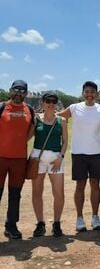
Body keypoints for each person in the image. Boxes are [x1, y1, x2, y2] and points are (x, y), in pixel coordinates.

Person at [57, 81, 100, 232]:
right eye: (87, 91)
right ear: (82, 93)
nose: (89, 94)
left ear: (96, 94)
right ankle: (79, 218)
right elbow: (57, 117)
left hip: (97, 152)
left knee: (95, 185)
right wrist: (38, 115)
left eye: (92, 92)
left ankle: (95, 216)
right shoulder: (74, 108)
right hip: (79, 153)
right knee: (80, 185)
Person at [0, 80, 35, 239]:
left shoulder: (29, 110)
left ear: (26, 94)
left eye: (22, 91)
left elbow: (32, 130)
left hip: (19, 160)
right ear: (10, 90)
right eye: (16, 90)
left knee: (15, 194)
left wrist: (20, 143)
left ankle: (11, 226)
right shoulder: (2, 107)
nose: (18, 93)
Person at [31, 92, 68, 237]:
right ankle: (40, 223)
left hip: (55, 158)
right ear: (42, 102)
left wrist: (61, 157)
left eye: (54, 101)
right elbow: (27, 136)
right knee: (37, 191)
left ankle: (57, 222)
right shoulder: (36, 119)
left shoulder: (62, 121)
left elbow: (65, 141)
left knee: (59, 193)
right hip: (37, 157)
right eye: (48, 101)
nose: (51, 103)